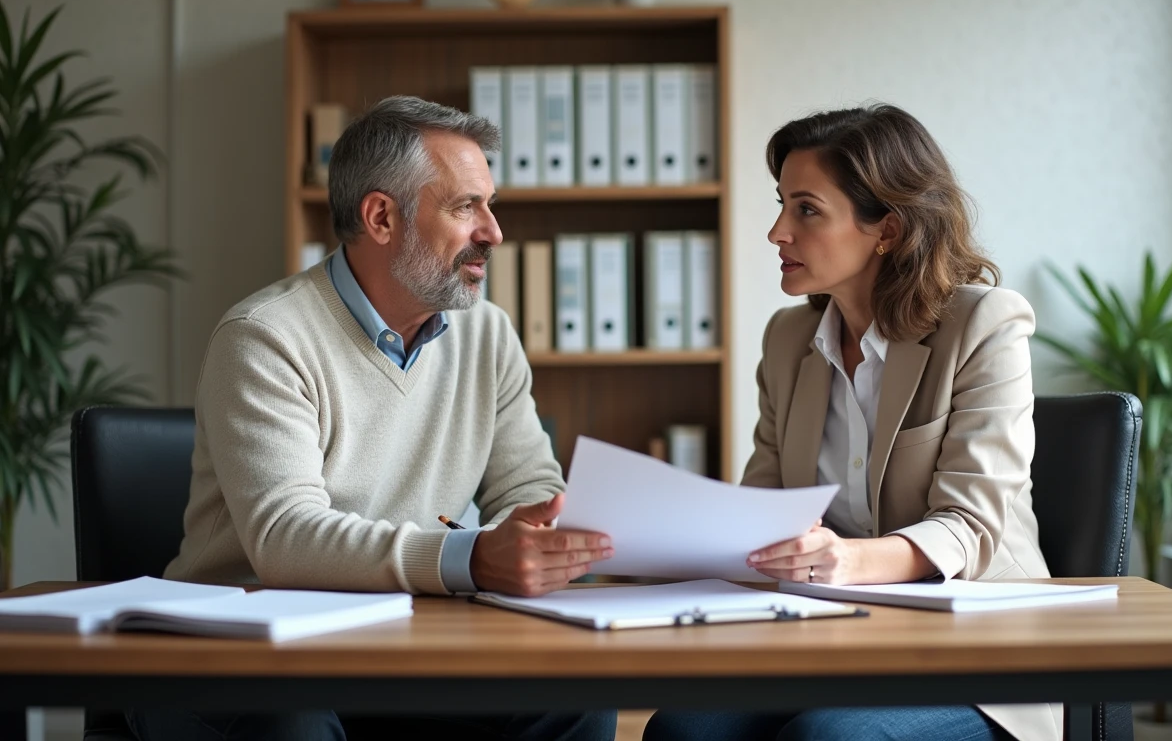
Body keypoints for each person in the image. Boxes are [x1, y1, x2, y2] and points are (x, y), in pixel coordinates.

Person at [127, 96, 618, 741]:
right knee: (295, 723)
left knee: (578, 699)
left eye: (489, 205)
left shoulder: (488, 336)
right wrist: (470, 557)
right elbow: (284, 538)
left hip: (404, 646)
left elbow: (527, 491)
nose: (494, 232)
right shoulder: (265, 337)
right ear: (381, 217)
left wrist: (538, 534)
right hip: (237, 654)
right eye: (465, 206)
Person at [644, 105, 1057, 741]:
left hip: (976, 658)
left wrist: (841, 560)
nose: (778, 231)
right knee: (684, 728)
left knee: (832, 738)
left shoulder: (985, 325)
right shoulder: (789, 340)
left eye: (806, 209)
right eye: (781, 204)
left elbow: (969, 527)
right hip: (832, 646)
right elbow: (767, 508)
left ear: (886, 228)